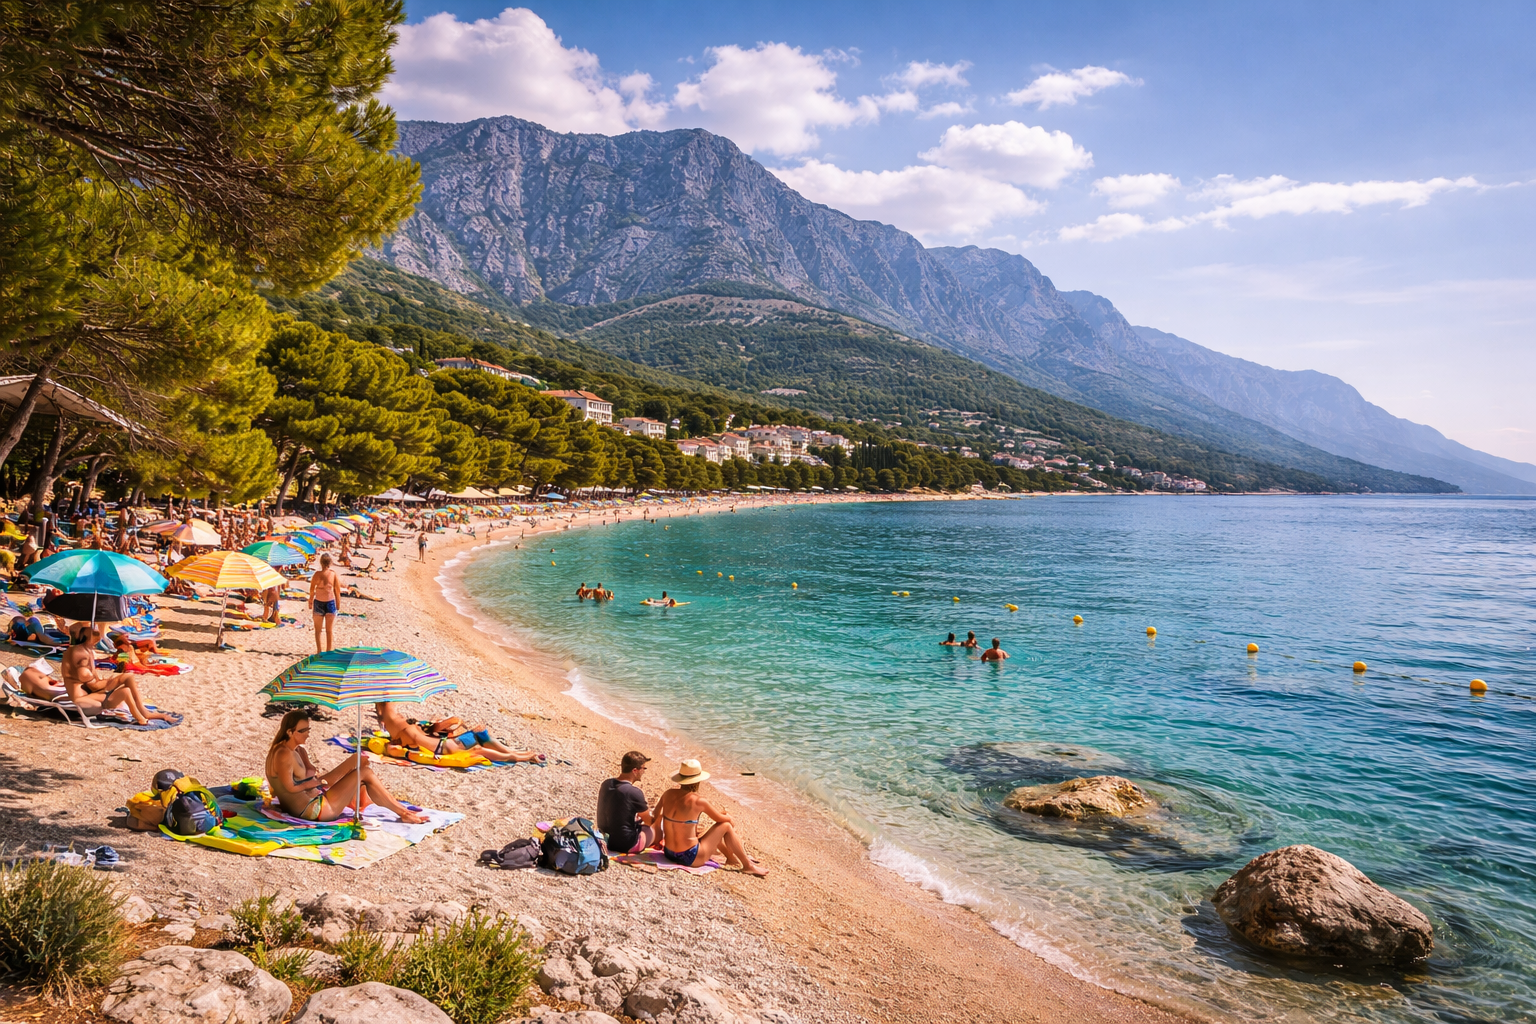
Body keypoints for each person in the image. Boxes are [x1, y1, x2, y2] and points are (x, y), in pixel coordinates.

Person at [265, 710, 426, 824]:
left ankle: (365, 803)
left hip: (311, 800)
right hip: (315, 810)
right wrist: (315, 783)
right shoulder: (283, 754)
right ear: (290, 732)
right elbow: (290, 787)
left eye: (308, 729)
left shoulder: (294, 749)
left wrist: (316, 781)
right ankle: (403, 813)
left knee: (360, 761)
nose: (308, 733)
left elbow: (304, 778)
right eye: (303, 730)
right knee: (364, 772)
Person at [654, 759, 767, 876]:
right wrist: (728, 817)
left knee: (709, 831)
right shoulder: (698, 801)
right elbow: (721, 820)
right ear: (697, 780)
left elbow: (655, 815)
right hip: (690, 857)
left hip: (669, 853)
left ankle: (731, 858)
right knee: (726, 826)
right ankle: (747, 865)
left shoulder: (668, 794)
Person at [60, 624, 171, 725]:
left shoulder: (85, 651)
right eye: (95, 636)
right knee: (126, 680)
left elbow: (93, 683)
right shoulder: (79, 654)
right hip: (83, 700)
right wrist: (113, 682)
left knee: (126, 687)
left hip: (91, 695)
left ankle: (142, 715)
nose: (97, 640)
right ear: (85, 636)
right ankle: (142, 715)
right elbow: (93, 686)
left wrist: (111, 682)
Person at [374, 701, 544, 763]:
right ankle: (523, 755)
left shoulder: (407, 735)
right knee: (481, 742)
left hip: (450, 745)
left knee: (481, 743)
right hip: (451, 744)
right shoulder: (411, 733)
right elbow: (387, 713)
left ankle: (521, 754)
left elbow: (385, 715)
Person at [597, 751, 656, 855]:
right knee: (654, 830)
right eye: (643, 768)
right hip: (625, 844)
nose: (643, 772)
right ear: (635, 770)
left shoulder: (606, 784)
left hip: (605, 839)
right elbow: (649, 822)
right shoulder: (634, 792)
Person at [309, 553, 339, 653]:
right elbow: (337, 591)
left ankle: (319, 651)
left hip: (318, 602)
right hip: (330, 603)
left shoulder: (316, 575)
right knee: (329, 630)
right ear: (330, 563)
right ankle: (328, 651)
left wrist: (310, 601)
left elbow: (312, 590)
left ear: (321, 563)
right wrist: (338, 605)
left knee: (318, 630)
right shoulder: (333, 574)